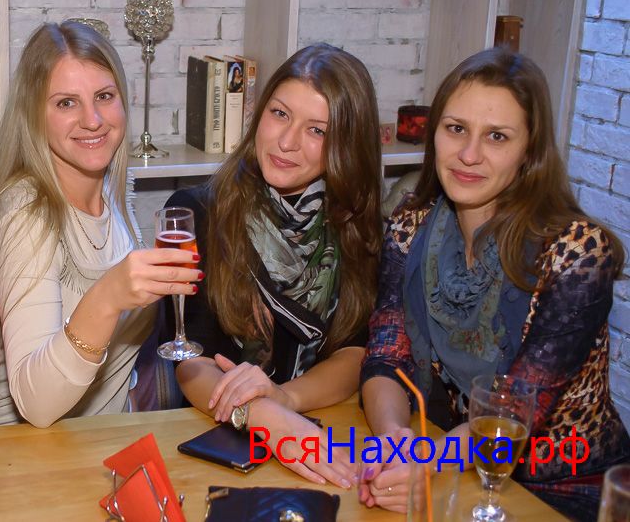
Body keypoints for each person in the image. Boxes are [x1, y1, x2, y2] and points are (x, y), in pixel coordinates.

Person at [359, 48, 630, 519]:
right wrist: (393, 444)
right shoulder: (409, 225)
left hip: (563, 487)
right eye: (456, 128)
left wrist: (427, 460)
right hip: (457, 462)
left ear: (529, 152)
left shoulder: (577, 252)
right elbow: (386, 355)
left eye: (497, 136)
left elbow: (514, 410)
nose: (469, 154)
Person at [168, 43, 383, 488]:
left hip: (322, 430)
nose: (287, 142)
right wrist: (261, 414)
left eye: (317, 130)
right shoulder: (198, 212)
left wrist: (285, 400)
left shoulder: (354, 224)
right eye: (280, 114)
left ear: (347, 145)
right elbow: (190, 362)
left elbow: (353, 351)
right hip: (218, 440)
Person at [0, 21, 201, 428]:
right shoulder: (26, 212)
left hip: (97, 439)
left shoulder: (113, 189)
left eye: (104, 96)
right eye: (66, 103)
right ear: (34, 116)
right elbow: (36, 406)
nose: (93, 120)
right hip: (25, 450)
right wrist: (107, 297)